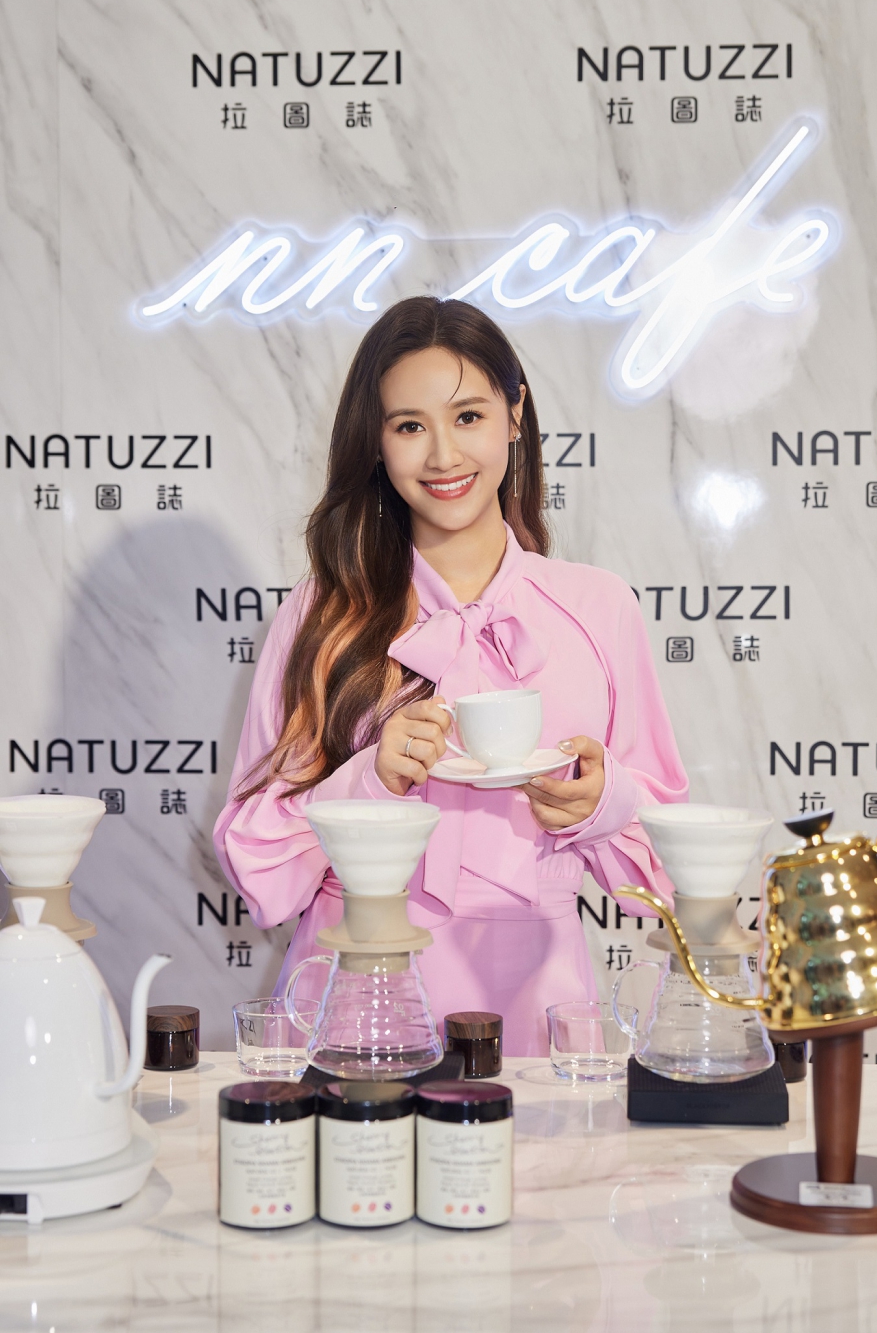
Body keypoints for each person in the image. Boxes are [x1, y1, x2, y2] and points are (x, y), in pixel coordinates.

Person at [214, 296, 688, 1055]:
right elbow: (257, 861)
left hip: (536, 992)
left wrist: (601, 802)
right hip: (357, 984)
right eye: (409, 426)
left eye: (468, 416)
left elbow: (668, 867)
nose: (442, 456)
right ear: (375, 443)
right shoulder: (322, 612)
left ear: (514, 414)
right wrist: (369, 782)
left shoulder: (598, 607)